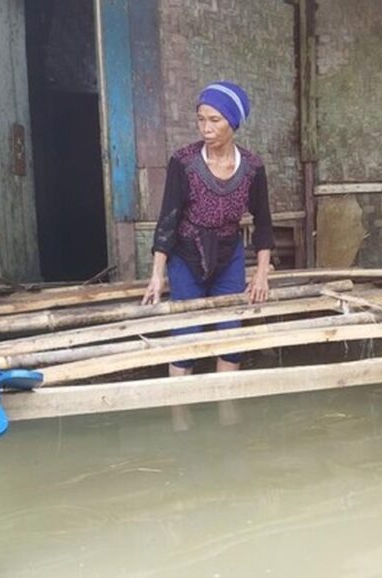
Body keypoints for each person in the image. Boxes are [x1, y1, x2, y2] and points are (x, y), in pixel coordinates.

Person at [142, 81, 274, 430]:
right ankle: (180, 419)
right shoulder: (183, 162)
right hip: (187, 256)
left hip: (228, 255)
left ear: (233, 123)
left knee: (230, 335)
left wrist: (261, 273)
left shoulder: (252, 167)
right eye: (201, 119)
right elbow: (168, 219)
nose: (206, 128)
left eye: (215, 120)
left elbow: (263, 222)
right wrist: (157, 274)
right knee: (187, 334)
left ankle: (226, 415)